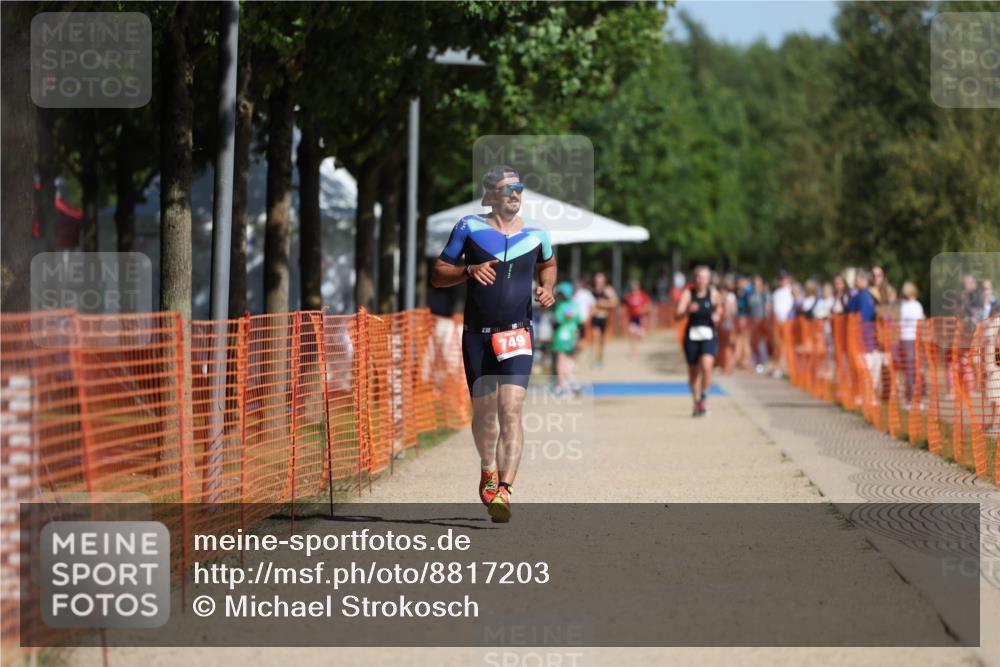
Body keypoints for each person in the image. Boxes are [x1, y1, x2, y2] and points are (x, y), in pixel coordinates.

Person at [430, 165, 556, 523]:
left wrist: (547, 288)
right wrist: (467, 271)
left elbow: (548, 263)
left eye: (519, 187)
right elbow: (438, 275)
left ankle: (504, 490)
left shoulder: (536, 234)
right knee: (485, 416)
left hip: (517, 333)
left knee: (511, 409)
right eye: (506, 189)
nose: (515, 194)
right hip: (477, 335)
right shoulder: (469, 228)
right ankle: (487, 468)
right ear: (489, 196)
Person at [675, 266, 721, 417]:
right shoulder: (688, 294)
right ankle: (696, 401)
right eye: (698, 277)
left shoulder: (713, 294)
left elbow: (720, 308)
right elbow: (677, 315)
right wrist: (688, 310)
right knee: (693, 372)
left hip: (709, 335)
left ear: (708, 280)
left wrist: (717, 316)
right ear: (694, 279)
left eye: (704, 277)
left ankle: (704, 397)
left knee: (707, 366)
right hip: (692, 336)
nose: (701, 280)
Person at [898, 281, 925, 404]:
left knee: (910, 369)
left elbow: (901, 323)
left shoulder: (905, 306)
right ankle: (917, 396)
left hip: (907, 339)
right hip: (914, 338)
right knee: (916, 367)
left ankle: (912, 397)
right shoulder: (917, 306)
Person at [552, 282, 581, 394]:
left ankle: (561, 384)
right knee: (566, 359)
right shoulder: (574, 305)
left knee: (560, 360)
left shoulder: (561, 305)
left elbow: (557, 321)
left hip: (561, 334)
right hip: (572, 334)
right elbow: (579, 321)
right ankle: (571, 382)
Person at [589, 272, 618, 368]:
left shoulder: (608, 290)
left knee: (602, 341)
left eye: (600, 281)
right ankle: (593, 360)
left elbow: (614, 303)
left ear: (604, 281)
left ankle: (600, 359)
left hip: (605, 319)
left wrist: (602, 303)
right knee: (595, 337)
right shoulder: (591, 291)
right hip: (595, 318)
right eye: (597, 280)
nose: (598, 282)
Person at [623, 279, 652, 359]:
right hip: (633, 319)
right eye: (632, 287)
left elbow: (648, 307)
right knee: (631, 334)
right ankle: (633, 352)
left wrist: (642, 311)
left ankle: (640, 335)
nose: (634, 288)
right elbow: (626, 308)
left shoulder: (643, 296)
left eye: (635, 286)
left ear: (638, 287)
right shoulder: (629, 297)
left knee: (639, 336)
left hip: (641, 319)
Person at [572, 278, 595, 351]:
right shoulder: (572, 295)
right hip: (574, 321)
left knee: (585, 339)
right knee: (576, 338)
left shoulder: (586, 293)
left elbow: (592, 306)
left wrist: (589, 318)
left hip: (585, 320)